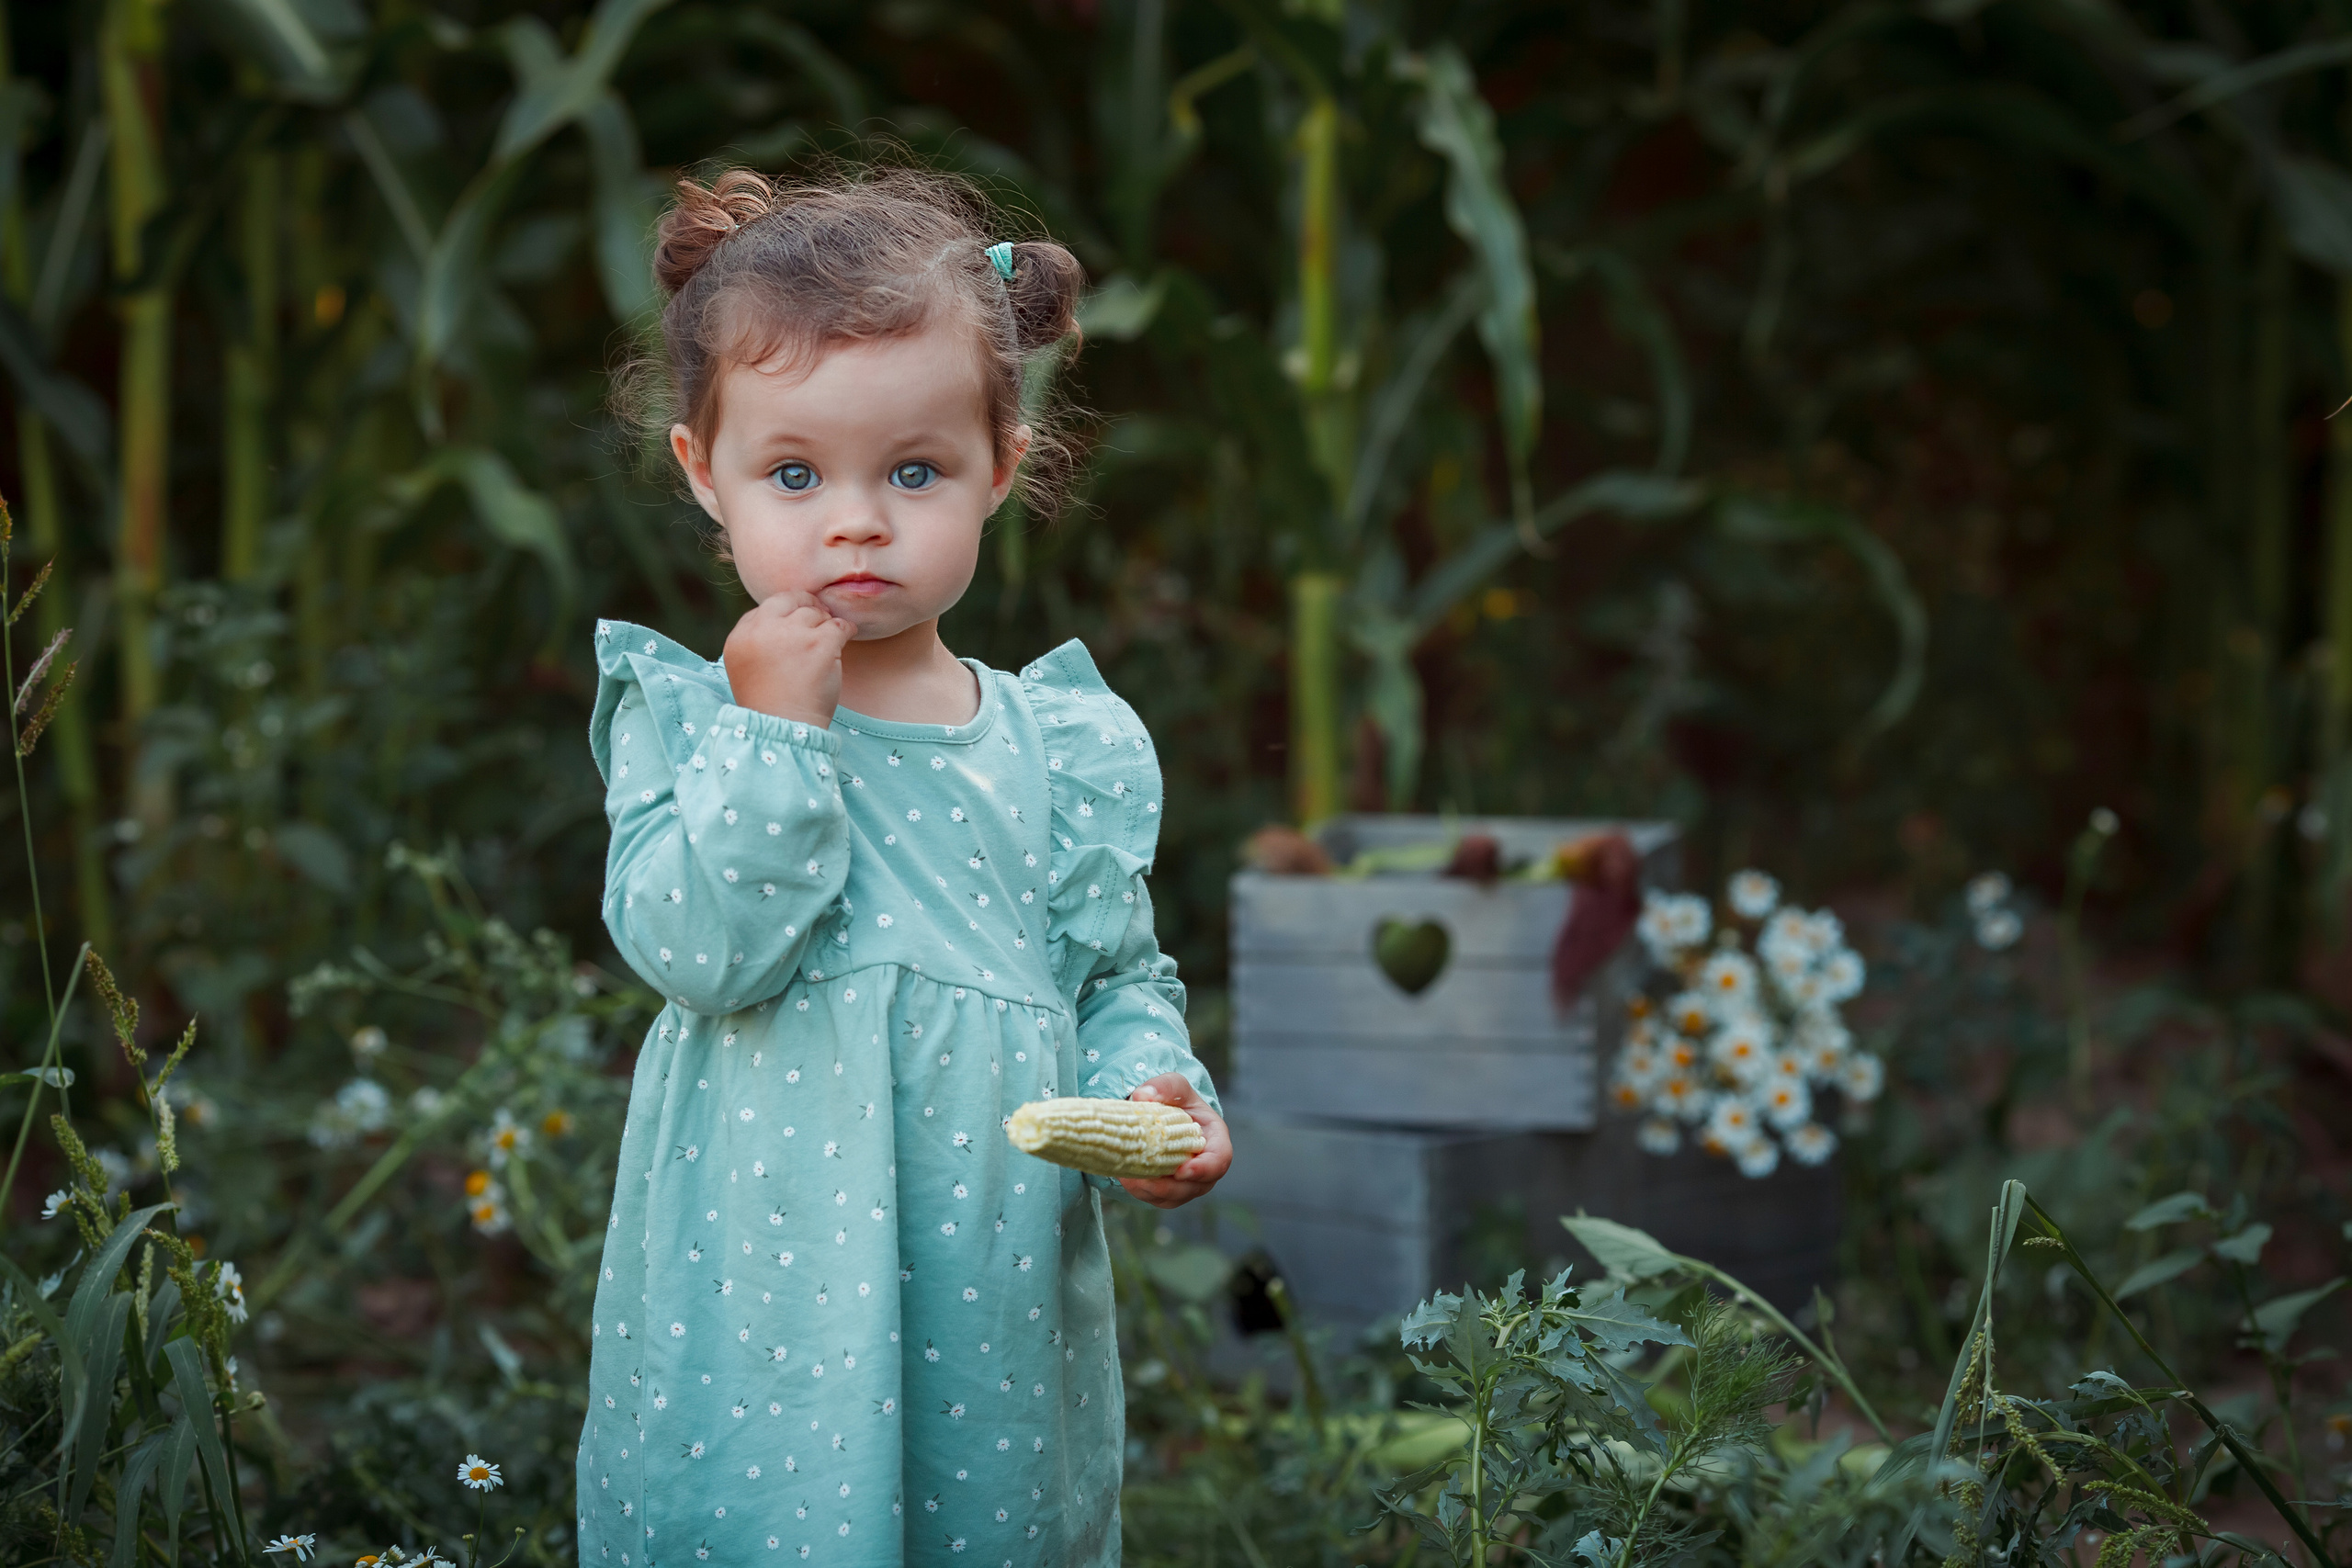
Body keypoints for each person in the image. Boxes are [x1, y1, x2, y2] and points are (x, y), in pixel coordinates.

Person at [577, 165, 1229, 1568]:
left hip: (983, 1282)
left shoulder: (1061, 746)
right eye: (796, 473)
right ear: (705, 472)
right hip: (762, 1277)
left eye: (914, 471)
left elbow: (1115, 971)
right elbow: (699, 950)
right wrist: (774, 734)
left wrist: (1152, 1090)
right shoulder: (693, 719)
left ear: (1005, 461)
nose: (857, 520)